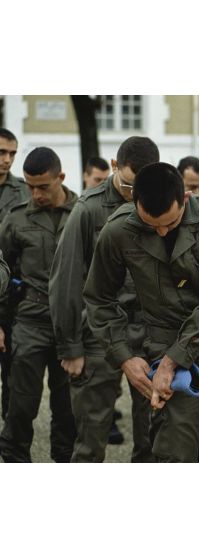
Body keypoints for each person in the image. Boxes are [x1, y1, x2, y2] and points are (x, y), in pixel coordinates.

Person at [83, 162, 199, 462]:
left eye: (170, 223)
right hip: (163, 353)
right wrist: (125, 357)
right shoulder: (118, 231)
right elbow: (98, 297)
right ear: (134, 202)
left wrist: (173, 360)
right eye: (151, 225)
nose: (161, 231)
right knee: (171, 458)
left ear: (186, 197)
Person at [49, 136, 159, 462]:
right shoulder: (88, 209)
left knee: (154, 433)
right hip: (99, 334)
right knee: (91, 436)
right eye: (129, 186)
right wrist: (70, 347)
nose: (136, 195)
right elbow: (65, 281)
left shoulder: (159, 198)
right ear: (114, 166)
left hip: (150, 332)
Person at [0, 147, 78, 462]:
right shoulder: (16, 218)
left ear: (60, 177)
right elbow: (3, 272)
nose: (36, 194)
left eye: (43, 186)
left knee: (69, 411)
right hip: (29, 321)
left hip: (71, 326)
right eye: (31, 186)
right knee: (19, 408)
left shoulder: (83, 214)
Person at [0, 128, 30, 420]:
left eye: (12, 154)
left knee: (13, 372)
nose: (7, 160)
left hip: (11, 295)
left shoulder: (23, 191)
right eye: (1, 153)